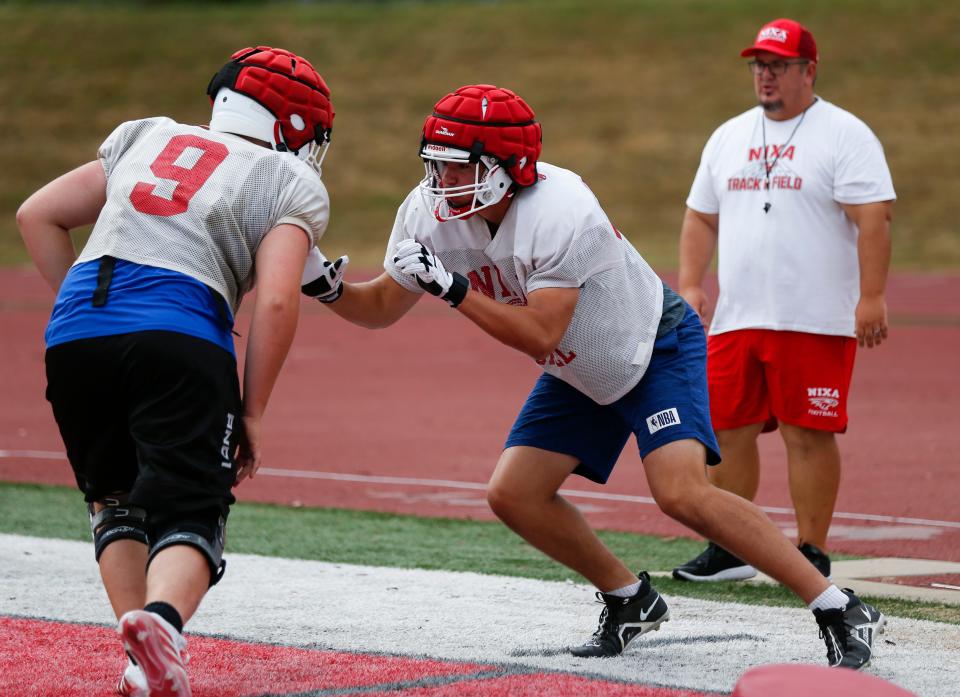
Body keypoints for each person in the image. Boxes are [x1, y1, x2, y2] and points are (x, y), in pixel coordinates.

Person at [302, 83, 886, 669]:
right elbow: (378, 307)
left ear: (509, 168)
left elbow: (539, 334)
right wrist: (325, 288)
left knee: (681, 493)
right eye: (436, 166)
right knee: (514, 494)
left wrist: (452, 289)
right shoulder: (427, 212)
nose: (442, 182)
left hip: (652, 344)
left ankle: (836, 605)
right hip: (582, 367)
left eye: (458, 169)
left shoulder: (562, 207)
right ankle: (630, 598)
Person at [17, 46, 334, 697]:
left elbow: (36, 214)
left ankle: (144, 662)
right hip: (180, 328)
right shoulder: (288, 178)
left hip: (78, 327)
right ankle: (163, 623)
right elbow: (277, 297)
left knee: (114, 499)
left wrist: (87, 317)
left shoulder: (149, 134)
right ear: (295, 129)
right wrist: (253, 409)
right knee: (194, 506)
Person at [672, 18, 895, 585]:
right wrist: (693, 283)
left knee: (807, 432)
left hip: (814, 316)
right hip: (738, 315)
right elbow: (700, 214)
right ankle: (731, 546)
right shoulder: (728, 136)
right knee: (726, 428)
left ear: (808, 71)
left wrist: (871, 296)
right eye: (759, 66)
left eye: (778, 66)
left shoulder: (845, 134)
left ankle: (812, 550)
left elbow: (874, 216)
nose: (765, 76)